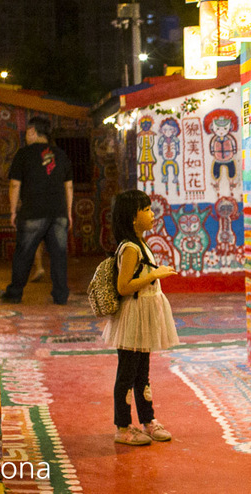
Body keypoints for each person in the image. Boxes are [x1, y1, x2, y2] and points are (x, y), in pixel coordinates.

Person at [103, 189, 179, 445]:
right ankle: (123, 426)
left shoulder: (141, 244)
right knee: (127, 373)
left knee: (142, 373)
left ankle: (148, 420)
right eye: (146, 210)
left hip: (143, 314)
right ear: (132, 218)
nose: (151, 214)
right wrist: (154, 276)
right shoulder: (130, 249)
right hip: (133, 317)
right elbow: (124, 287)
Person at [0, 117, 73, 305]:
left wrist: (13, 211)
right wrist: (69, 213)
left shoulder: (23, 154)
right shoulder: (62, 154)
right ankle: (61, 295)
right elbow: (69, 187)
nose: (26, 136)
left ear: (32, 131)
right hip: (58, 213)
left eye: (27, 132)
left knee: (24, 253)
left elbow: (15, 185)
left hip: (33, 212)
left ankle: (15, 293)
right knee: (59, 254)